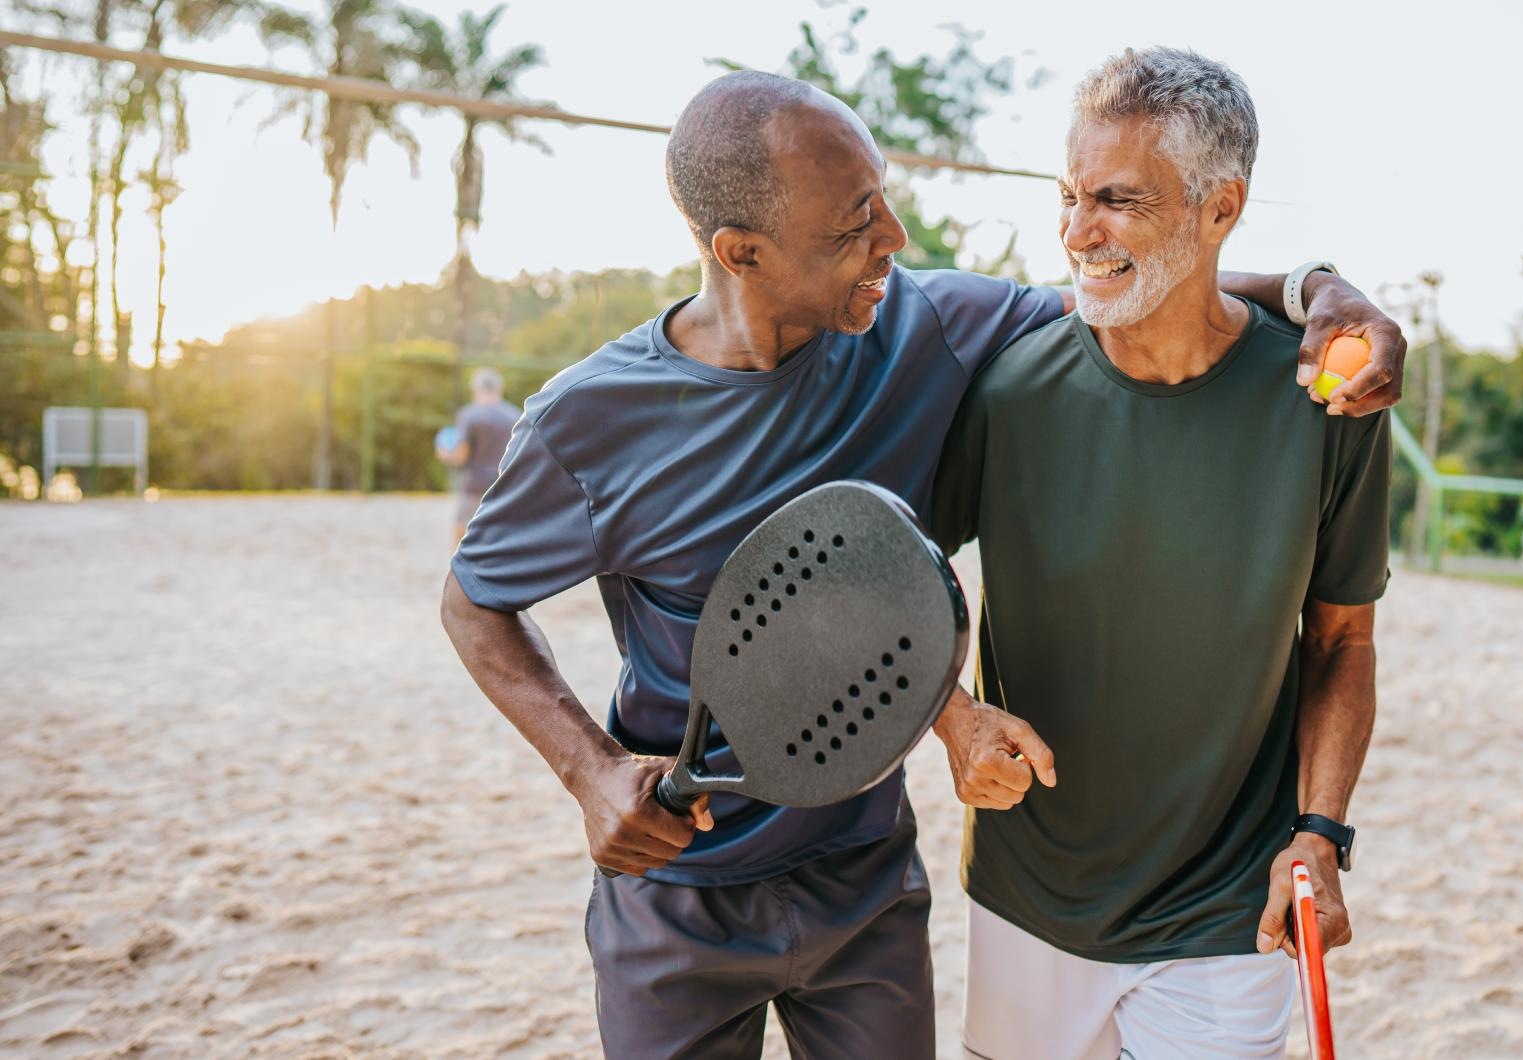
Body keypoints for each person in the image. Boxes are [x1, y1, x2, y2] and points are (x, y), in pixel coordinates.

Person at [439, 68, 1404, 1058]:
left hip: (864, 878)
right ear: (742, 252)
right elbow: (474, 603)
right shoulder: (590, 420)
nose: (895, 237)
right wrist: (590, 770)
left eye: (883, 198)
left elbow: (1142, 286)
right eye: (856, 222)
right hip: (677, 889)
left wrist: (1319, 291)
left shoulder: (926, 325)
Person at [930, 48, 1390, 1059]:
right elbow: (893, 578)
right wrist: (952, 720)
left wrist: (1322, 830)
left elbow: (1343, 642)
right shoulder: (1007, 388)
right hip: (1028, 895)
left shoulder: (1328, 400)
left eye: (1117, 200)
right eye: (1069, 196)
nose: (1076, 232)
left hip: (1230, 907)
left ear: (1220, 210)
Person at [436, 367, 521, 547]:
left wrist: (445, 454)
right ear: (500, 388)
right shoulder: (515, 415)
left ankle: (458, 563)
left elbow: (460, 456)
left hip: (473, 484)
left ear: (475, 389)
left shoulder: (469, 415)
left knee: (462, 529)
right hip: (503, 482)